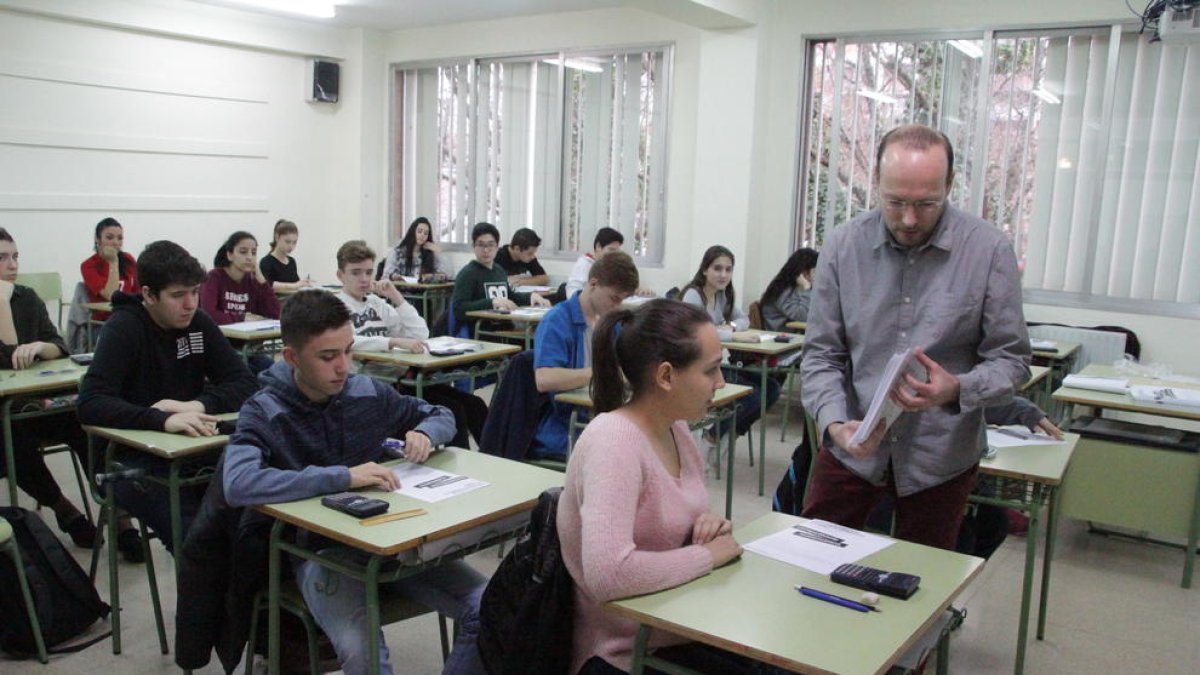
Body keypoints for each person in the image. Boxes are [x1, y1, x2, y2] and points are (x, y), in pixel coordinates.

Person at [222, 289, 487, 675]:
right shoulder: (264, 410)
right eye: (328, 357)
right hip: (325, 553)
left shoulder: (365, 390)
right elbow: (238, 483)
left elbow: (439, 412)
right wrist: (343, 478)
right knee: (363, 654)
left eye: (348, 350)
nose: (344, 366)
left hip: (394, 538)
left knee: (489, 607)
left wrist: (426, 433)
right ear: (292, 357)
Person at [800, 124, 1030, 551]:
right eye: (895, 202)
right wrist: (833, 423)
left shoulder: (988, 250)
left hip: (940, 455)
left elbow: (1012, 362)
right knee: (811, 559)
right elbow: (821, 356)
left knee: (920, 583)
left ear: (950, 184)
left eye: (926, 204)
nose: (909, 219)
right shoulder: (843, 246)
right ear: (876, 182)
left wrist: (957, 388)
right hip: (852, 442)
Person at [558, 299, 761, 675]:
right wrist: (706, 556)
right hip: (623, 651)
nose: (720, 383)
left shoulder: (677, 427)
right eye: (712, 370)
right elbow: (608, 575)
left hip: (676, 622)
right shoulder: (614, 442)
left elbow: (672, 520)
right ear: (666, 376)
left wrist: (708, 526)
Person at [77, 240, 257, 560]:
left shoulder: (198, 323)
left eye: (194, 291)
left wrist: (198, 405)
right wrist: (159, 418)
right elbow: (90, 403)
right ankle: (207, 605)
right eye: (177, 295)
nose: (189, 303)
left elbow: (244, 382)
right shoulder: (124, 328)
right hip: (127, 463)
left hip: (192, 450)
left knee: (253, 522)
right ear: (148, 294)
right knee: (198, 540)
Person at [335, 240, 489, 448]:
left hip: (401, 378)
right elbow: (348, 341)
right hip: (373, 386)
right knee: (454, 411)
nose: (364, 279)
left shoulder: (377, 304)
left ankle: (497, 458)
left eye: (369, 272)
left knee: (475, 404)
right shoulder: (335, 306)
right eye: (356, 272)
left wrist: (396, 297)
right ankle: (460, 469)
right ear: (340, 275)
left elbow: (420, 333)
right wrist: (392, 342)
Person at [0, 228, 97, 547]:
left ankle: (119, 515)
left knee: (83, 420)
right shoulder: (9, 298)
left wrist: (42, 346)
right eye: (2, 258)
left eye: (15, 257)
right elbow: (7, 353)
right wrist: (1, 300)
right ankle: (65, 509)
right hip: (4, 412)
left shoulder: (26, 297)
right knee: (13, 441)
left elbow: (59, 344)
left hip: (35, 399)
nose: (12, 265)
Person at [530, 251, 639, 460]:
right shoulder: (557, 320)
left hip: (602, 417)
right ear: (593, 284)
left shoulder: (610, 324)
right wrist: (601, 373)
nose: (617, 307)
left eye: (622, 301)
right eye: (614, 298)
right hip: (566, 426)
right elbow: (544, 379)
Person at [679, 245, 781, 447]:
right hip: (695, 368)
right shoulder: (694, 295)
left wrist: (731, 327)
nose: (723, 274)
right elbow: (699, 332)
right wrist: (732, 336)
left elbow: (744, 319)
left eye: (728, 269)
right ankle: (713, 438)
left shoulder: (721, 295)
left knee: (772, 388)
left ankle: (728, 436)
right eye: (717, 268)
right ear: (705, 270)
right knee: (753, 396)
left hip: (715, 365)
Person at [202, 231, 281, 373]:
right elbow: (209, 314)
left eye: (254, 252)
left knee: (278, 372)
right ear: (230, 254)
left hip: (249, 348)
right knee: (251, 379)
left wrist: (262, 281)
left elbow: (277, 313)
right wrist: (242, 317)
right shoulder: (214, 278)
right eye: (243, 252)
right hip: (220, 348)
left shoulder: (252, 281)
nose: (250, 257)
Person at [450, 222, 548, 331]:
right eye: (481, 245)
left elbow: (510, 297)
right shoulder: (468, 273)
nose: (486, 250)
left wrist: (531, 296)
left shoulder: (498, 270)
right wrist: (492, 302)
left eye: (491, 245)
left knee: (538, 334)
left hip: (505, 328)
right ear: (473, 246)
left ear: (497, 246)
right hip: (482, 332)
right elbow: (458, 309)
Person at [81, 216, 137, 321]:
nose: (116, 243)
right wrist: (113, 262)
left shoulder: (128, 259)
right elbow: (112, 296)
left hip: (129, 317)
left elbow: (139, 292)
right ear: (98, 240)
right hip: (104, 322)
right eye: (109, 237)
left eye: (120, 238)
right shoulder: (88, 265)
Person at [759, 247, 818, 331]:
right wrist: (806, 287)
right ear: (804, 273)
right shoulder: (781, 291)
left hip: (796, 335)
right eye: (815, 271)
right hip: (780, 338)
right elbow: (803, 317)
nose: (819, 275)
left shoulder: (799, 289)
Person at [383, 216, 451, 281]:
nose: (422, 235)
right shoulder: (396, 253)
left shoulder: (429, 254)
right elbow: (385, 276)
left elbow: (448, 275)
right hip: (402, 291)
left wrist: (438, 252)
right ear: (413, 232)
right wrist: (393, 276)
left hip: (424, 291)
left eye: (426, 233)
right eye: (419, 231)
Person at [564, 227, 624, 297]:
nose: (614, 255)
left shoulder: (609, 265)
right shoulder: (584, 264)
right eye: (611, 250)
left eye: (617, 252)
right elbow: (572, 294)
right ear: (598, 246)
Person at [259, 218, 312, 292]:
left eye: (294, 242)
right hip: (275, 302)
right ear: (277, 237)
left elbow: (296, 284)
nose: (291, 246)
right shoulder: (266, 262)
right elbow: (266, 284)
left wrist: (303, 284)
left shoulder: (292, 261)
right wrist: (294, 285)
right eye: (287, 242)